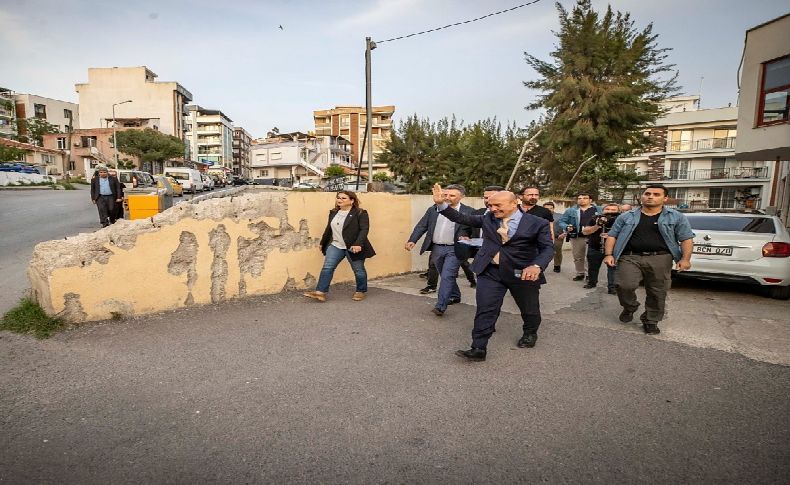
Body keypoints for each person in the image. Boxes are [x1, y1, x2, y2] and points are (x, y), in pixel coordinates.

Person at [432, 184, 554, 362]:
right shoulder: (489, 217)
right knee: (485, 309)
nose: (492, 208)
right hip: (490, 271)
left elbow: (548, 249)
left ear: (514, 203)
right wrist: (441, 205)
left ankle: (530, 333)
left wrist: (536, 266)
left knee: (529, 308)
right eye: (490, 205)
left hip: (522, 272)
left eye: (497, 205)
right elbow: (461, 217)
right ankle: (478, 348)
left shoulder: (538, 223)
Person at [604, 184, 695, 335]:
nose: (650, 196)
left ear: (665, 198)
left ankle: (651, 320)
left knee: (657, 291)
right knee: (623, 285)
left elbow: (686, 238)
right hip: (629, 256)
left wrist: (685, 259)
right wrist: (608, 254)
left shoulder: (676, 217)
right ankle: (630, 307)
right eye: (647, 193)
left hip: (661, 257)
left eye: (656, 194)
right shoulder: (626, 216)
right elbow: (612, 235)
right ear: (642, 196)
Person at [406, 184, 475, 316]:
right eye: (445, 195)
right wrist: (412, 240)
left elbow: (474, 229)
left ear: (462, 197)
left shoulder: (469, 211)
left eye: (452, 195)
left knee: (447, 275)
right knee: (445, 274)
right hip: (437, 248)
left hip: (455, 249)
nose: (447, 197)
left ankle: (441, 305)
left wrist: (468, 238)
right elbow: (421, 226)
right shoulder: (433, 209)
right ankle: (455, 295)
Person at [304, 191, 375, 302]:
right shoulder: (334, 212)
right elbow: (329, 228)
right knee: (328, 267)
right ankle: (320, 292)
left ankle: (360, 291)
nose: (339, 200)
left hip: (353, 246)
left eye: (343, 198)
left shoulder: (360, 213)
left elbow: (364, 230)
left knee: (358, 270)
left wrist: (358, 244)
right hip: (336, 245)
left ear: (351, 201)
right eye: (338, 198)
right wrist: (323, 242)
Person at [557, 193, 598, 282]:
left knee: (590, 257)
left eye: (585, 198)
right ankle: (580, 273)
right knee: (578, 256)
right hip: (577, 236)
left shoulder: (597, 210)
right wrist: (567, 227)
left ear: (590, 200)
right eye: (579, 198)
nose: (581, 200)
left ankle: (588, 275)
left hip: (593, 236)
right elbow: (561, 221)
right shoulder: (571, 211)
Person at [581, 203, 620, 292]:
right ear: (603, 210)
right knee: (592, 267)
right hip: (595, 247)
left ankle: (612, 287)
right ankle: (592, 282)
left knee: (613, 269)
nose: (610, 211)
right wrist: (597, 225)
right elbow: (585, 232)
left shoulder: (621, 220)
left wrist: (611, 235)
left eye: (613, 210)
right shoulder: (595, 218)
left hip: (614, 249)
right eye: (607, 209)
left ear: (619, 211)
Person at [543, 201, 565, 273]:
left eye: (551, 208)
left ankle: (557, 266)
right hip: (542, 237)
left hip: (557, 237)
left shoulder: (560, 216)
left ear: (554, 208)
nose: (549, 210)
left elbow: (566, 224)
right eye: (546, 208)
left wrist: (565, 233)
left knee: (557, 252)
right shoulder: (539, 216)